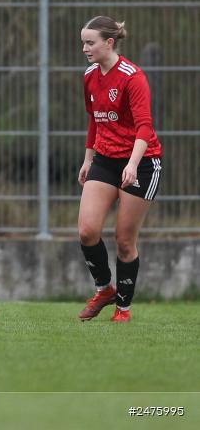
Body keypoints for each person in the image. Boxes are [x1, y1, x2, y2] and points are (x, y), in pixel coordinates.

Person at [77, 16, 162, 323]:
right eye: (83, 43)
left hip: (142, 162)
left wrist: (133, 164)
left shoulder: (132, 77)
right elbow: (94, 119)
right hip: (104, 159)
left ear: (109, 43)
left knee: (124, 241)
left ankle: (122, 310)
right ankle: (104, 289)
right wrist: (88, 159)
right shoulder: (89, 75)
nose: (85, 48)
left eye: (90, 43)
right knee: (87, 231)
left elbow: (144, 127)